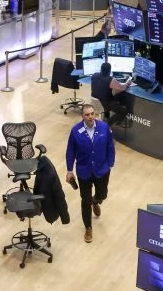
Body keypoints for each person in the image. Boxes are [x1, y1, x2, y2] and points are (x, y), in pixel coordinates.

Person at [65, 104, 116, 243]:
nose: (90, 116)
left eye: (92, 113)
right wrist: (69, 170)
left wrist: (110, 163)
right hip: (84, 171)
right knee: (85, 200)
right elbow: (70, 151)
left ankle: (96, 201)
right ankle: (88, 227)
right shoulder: (75, 131)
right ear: (82, 116)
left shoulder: (104, 127)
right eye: (87, 114)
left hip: (102, 169)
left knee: (102, 195)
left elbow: (110, 146)